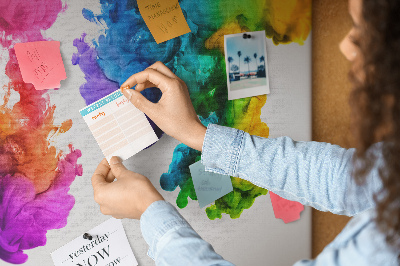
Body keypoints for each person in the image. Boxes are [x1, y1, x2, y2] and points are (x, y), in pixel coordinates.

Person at [90, 0, 400, 264]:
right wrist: (197, 134)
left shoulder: (384, 249)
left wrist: (149, 211)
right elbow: (345, 179)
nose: (346, 46)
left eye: (365, 32)